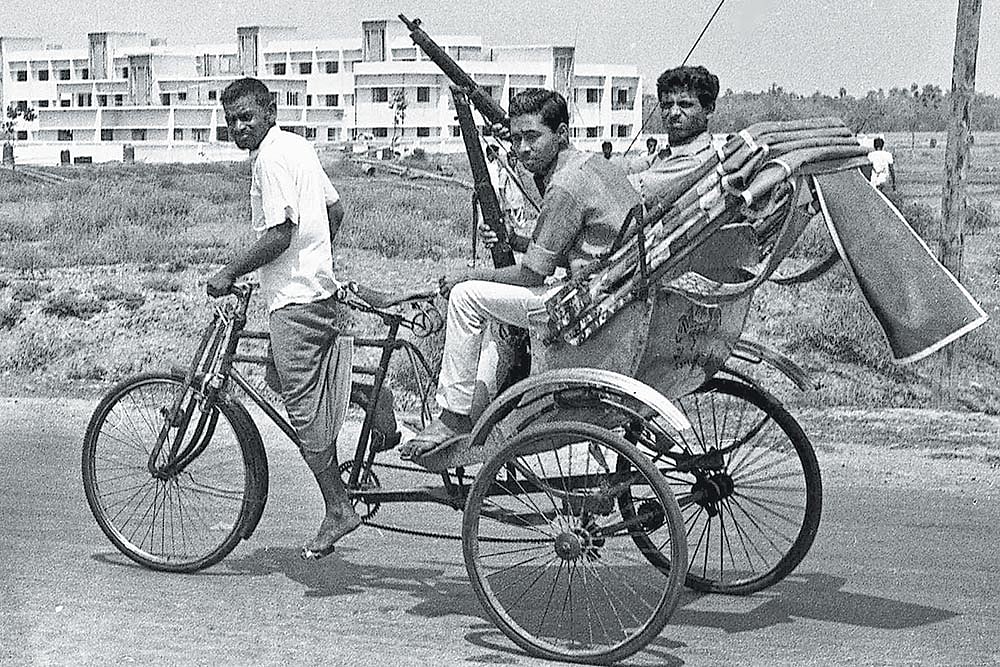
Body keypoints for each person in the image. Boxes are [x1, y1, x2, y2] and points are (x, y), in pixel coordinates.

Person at [399, 89, 640, 459]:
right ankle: (483, 409)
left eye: (532, 137)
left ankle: (453, 416)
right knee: (496, 315)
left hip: (584, 303)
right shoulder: (592, 166)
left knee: (466, 298)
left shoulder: (564, 186)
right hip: (609, 288)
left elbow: (531, 276)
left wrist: (467, 275)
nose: (523, 149)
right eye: (516, 138)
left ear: (560, 133)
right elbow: (581, 244)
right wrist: (515, 239)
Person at [207, 77, 385, 560]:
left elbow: (280, 233)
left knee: (305, 415)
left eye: (248, 116)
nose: (240, 127)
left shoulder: (269, 158)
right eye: (232, 120)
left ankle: (338, 508)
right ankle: (373, 397)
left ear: (269, 110)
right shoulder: (297, 145)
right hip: (317, 293)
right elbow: (335, 209)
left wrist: (229, 271)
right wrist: (318, 259)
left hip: (294, 305)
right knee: (276, 375)